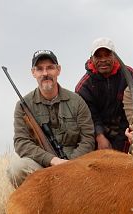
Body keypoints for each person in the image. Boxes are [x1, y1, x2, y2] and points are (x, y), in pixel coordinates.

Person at [7, 49, 95, 187]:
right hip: (42, 166)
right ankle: (37, 206)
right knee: (16, 169)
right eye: (40, 69)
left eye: (50, 68)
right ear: (33, 72)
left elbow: (88, 138)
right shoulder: (23, 106)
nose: (45, 73)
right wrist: (52, 160)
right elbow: (21, 142)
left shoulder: (77, 101)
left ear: (58, 70)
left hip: (76, 165)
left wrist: (70, 164)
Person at [75, 37, 133, 153]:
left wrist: (120, 144)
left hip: (125, 128)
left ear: (115, 56)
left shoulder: (129, 75)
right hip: (98, 132)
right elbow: (90, 117)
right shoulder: (83, 87)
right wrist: (99, 136)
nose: (103, 60)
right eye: (98, 56)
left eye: (107, 55)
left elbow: (130, 113)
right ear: (91, 59)